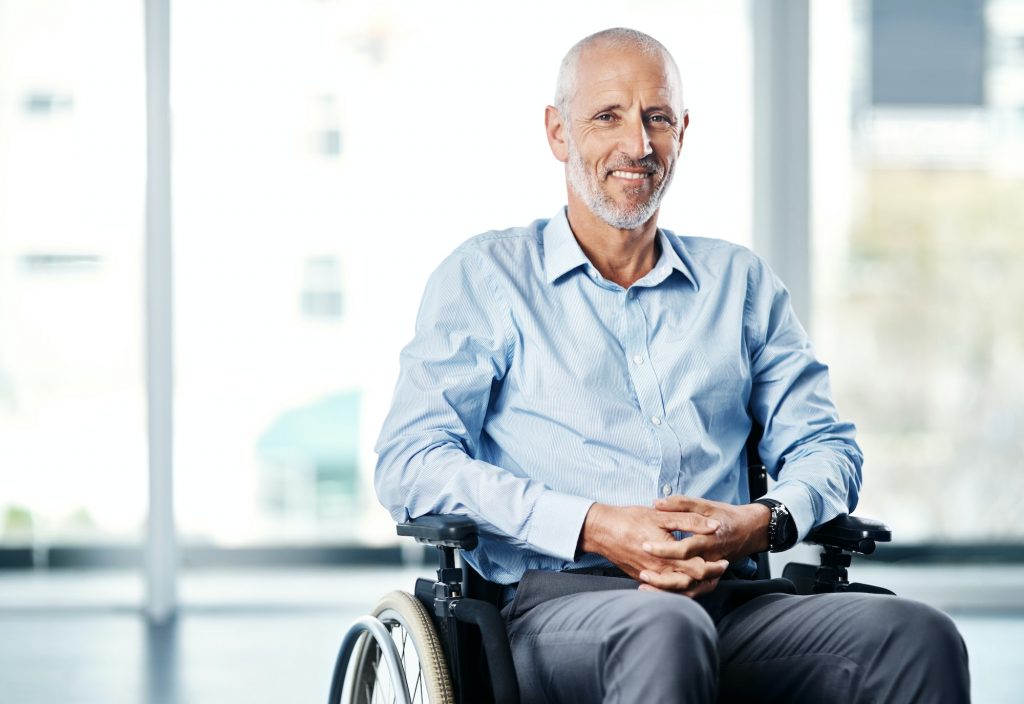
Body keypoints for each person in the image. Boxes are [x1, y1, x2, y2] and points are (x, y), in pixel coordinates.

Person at [375, 27, 969, 704]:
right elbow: (410, 462)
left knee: (917, 634)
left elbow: (828, 449)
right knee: (665, 627)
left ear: (682, 132)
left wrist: (764, 521)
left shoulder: (738, 284)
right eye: (608, 116)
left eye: (657, 118)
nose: (638, 144)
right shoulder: (488, 278)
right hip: (560, 611)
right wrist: (595, 523)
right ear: (558, 133)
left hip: (736, 601)